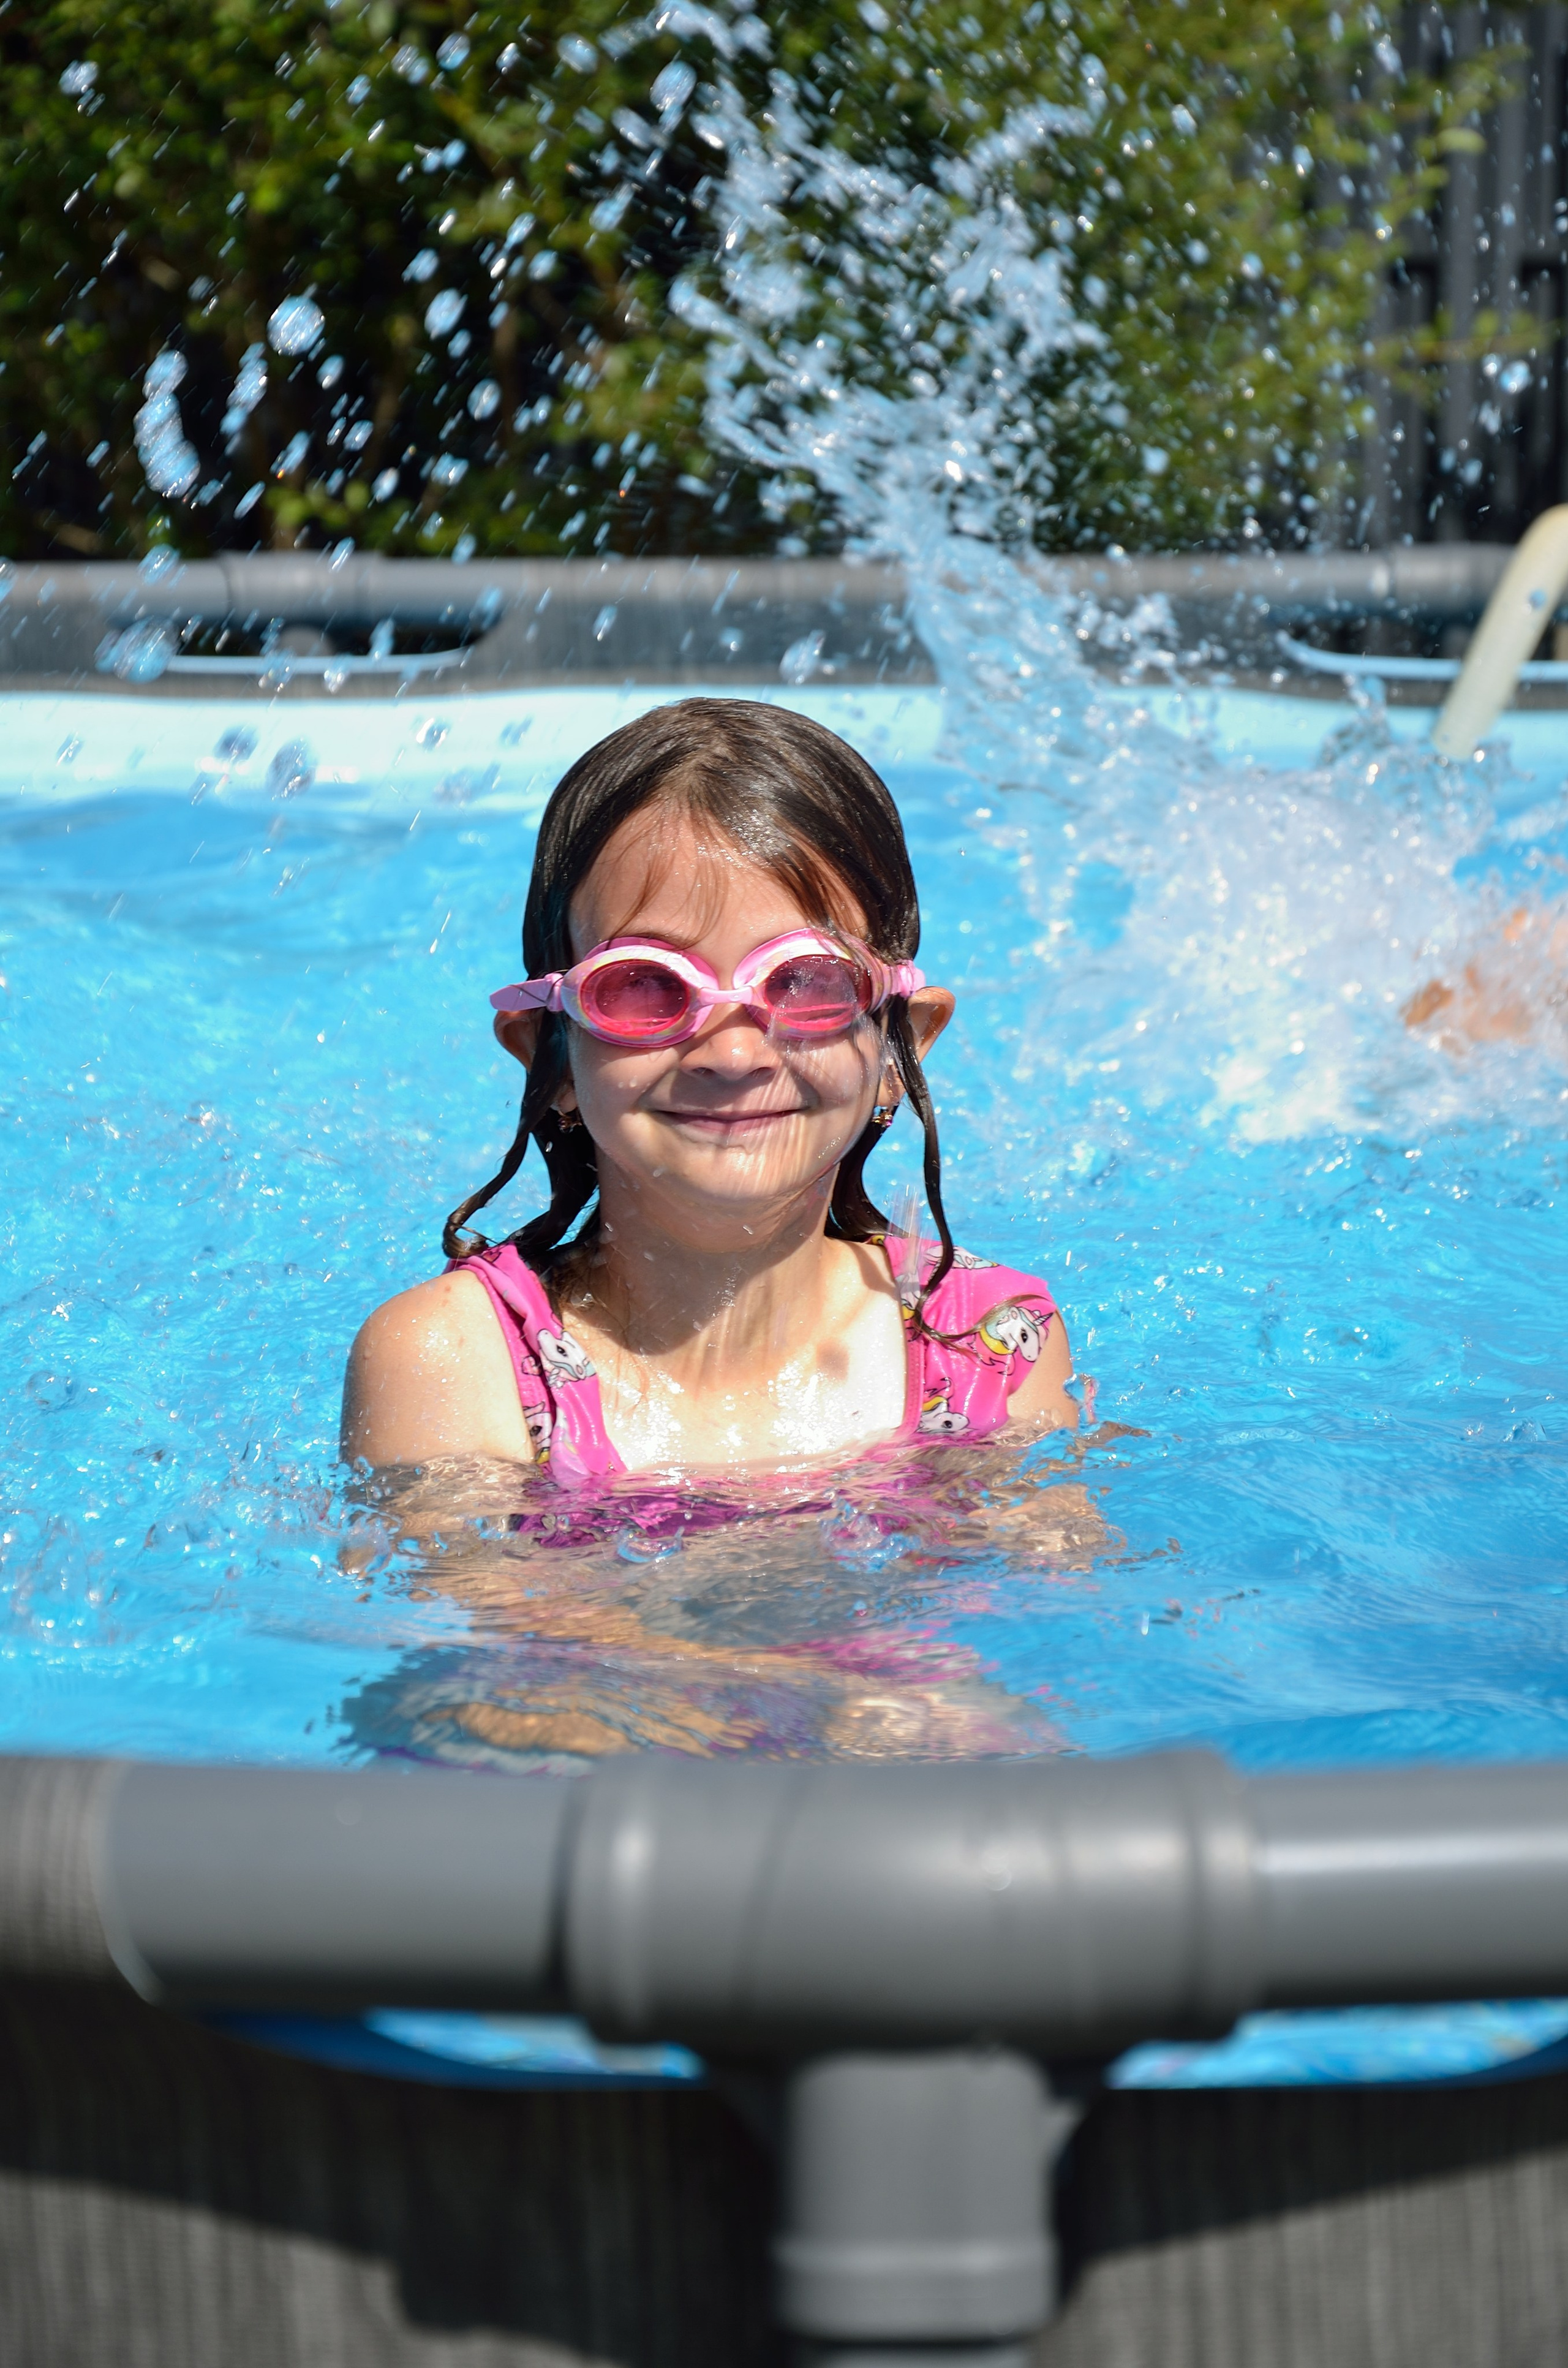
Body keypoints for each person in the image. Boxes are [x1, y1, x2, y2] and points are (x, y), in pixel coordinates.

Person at [342, 697, 1080, 1483]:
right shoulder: (455, 1357)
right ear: (549, 1059)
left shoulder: (985, 1345)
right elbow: (489, 1607)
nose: (732, 1053)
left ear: (901, 1045)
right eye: (643, 987)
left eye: (805, 982)